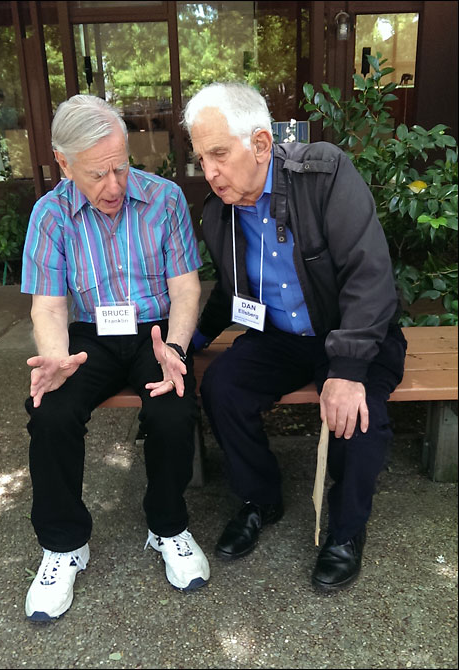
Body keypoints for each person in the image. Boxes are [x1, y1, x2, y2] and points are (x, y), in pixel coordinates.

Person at [182, 82, 407, 592]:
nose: (209, 171)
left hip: (348, 331)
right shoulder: (220, 211)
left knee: (359, 416)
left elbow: (369, 277)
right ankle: (261, 497)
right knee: (223, 388)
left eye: (218, 153)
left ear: (261, 144)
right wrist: (185, 343)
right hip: (280, 337)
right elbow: (229, 293)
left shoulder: (322, 174)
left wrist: (348, 370)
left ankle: (347, 531)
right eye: (201, 158)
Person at [21, 94, 210, 622]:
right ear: (63, 164)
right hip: (89, 335)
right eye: (97, 174)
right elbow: (49, 305)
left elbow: (186, 289)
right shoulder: (50, 214)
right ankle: (63, 546)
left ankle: (167, 527)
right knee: (51, 412)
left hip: (154, 332)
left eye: (121, 167)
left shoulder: (166, 199)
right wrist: (55, 359)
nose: (114, 186)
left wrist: (175, 349)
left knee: (172, 407)